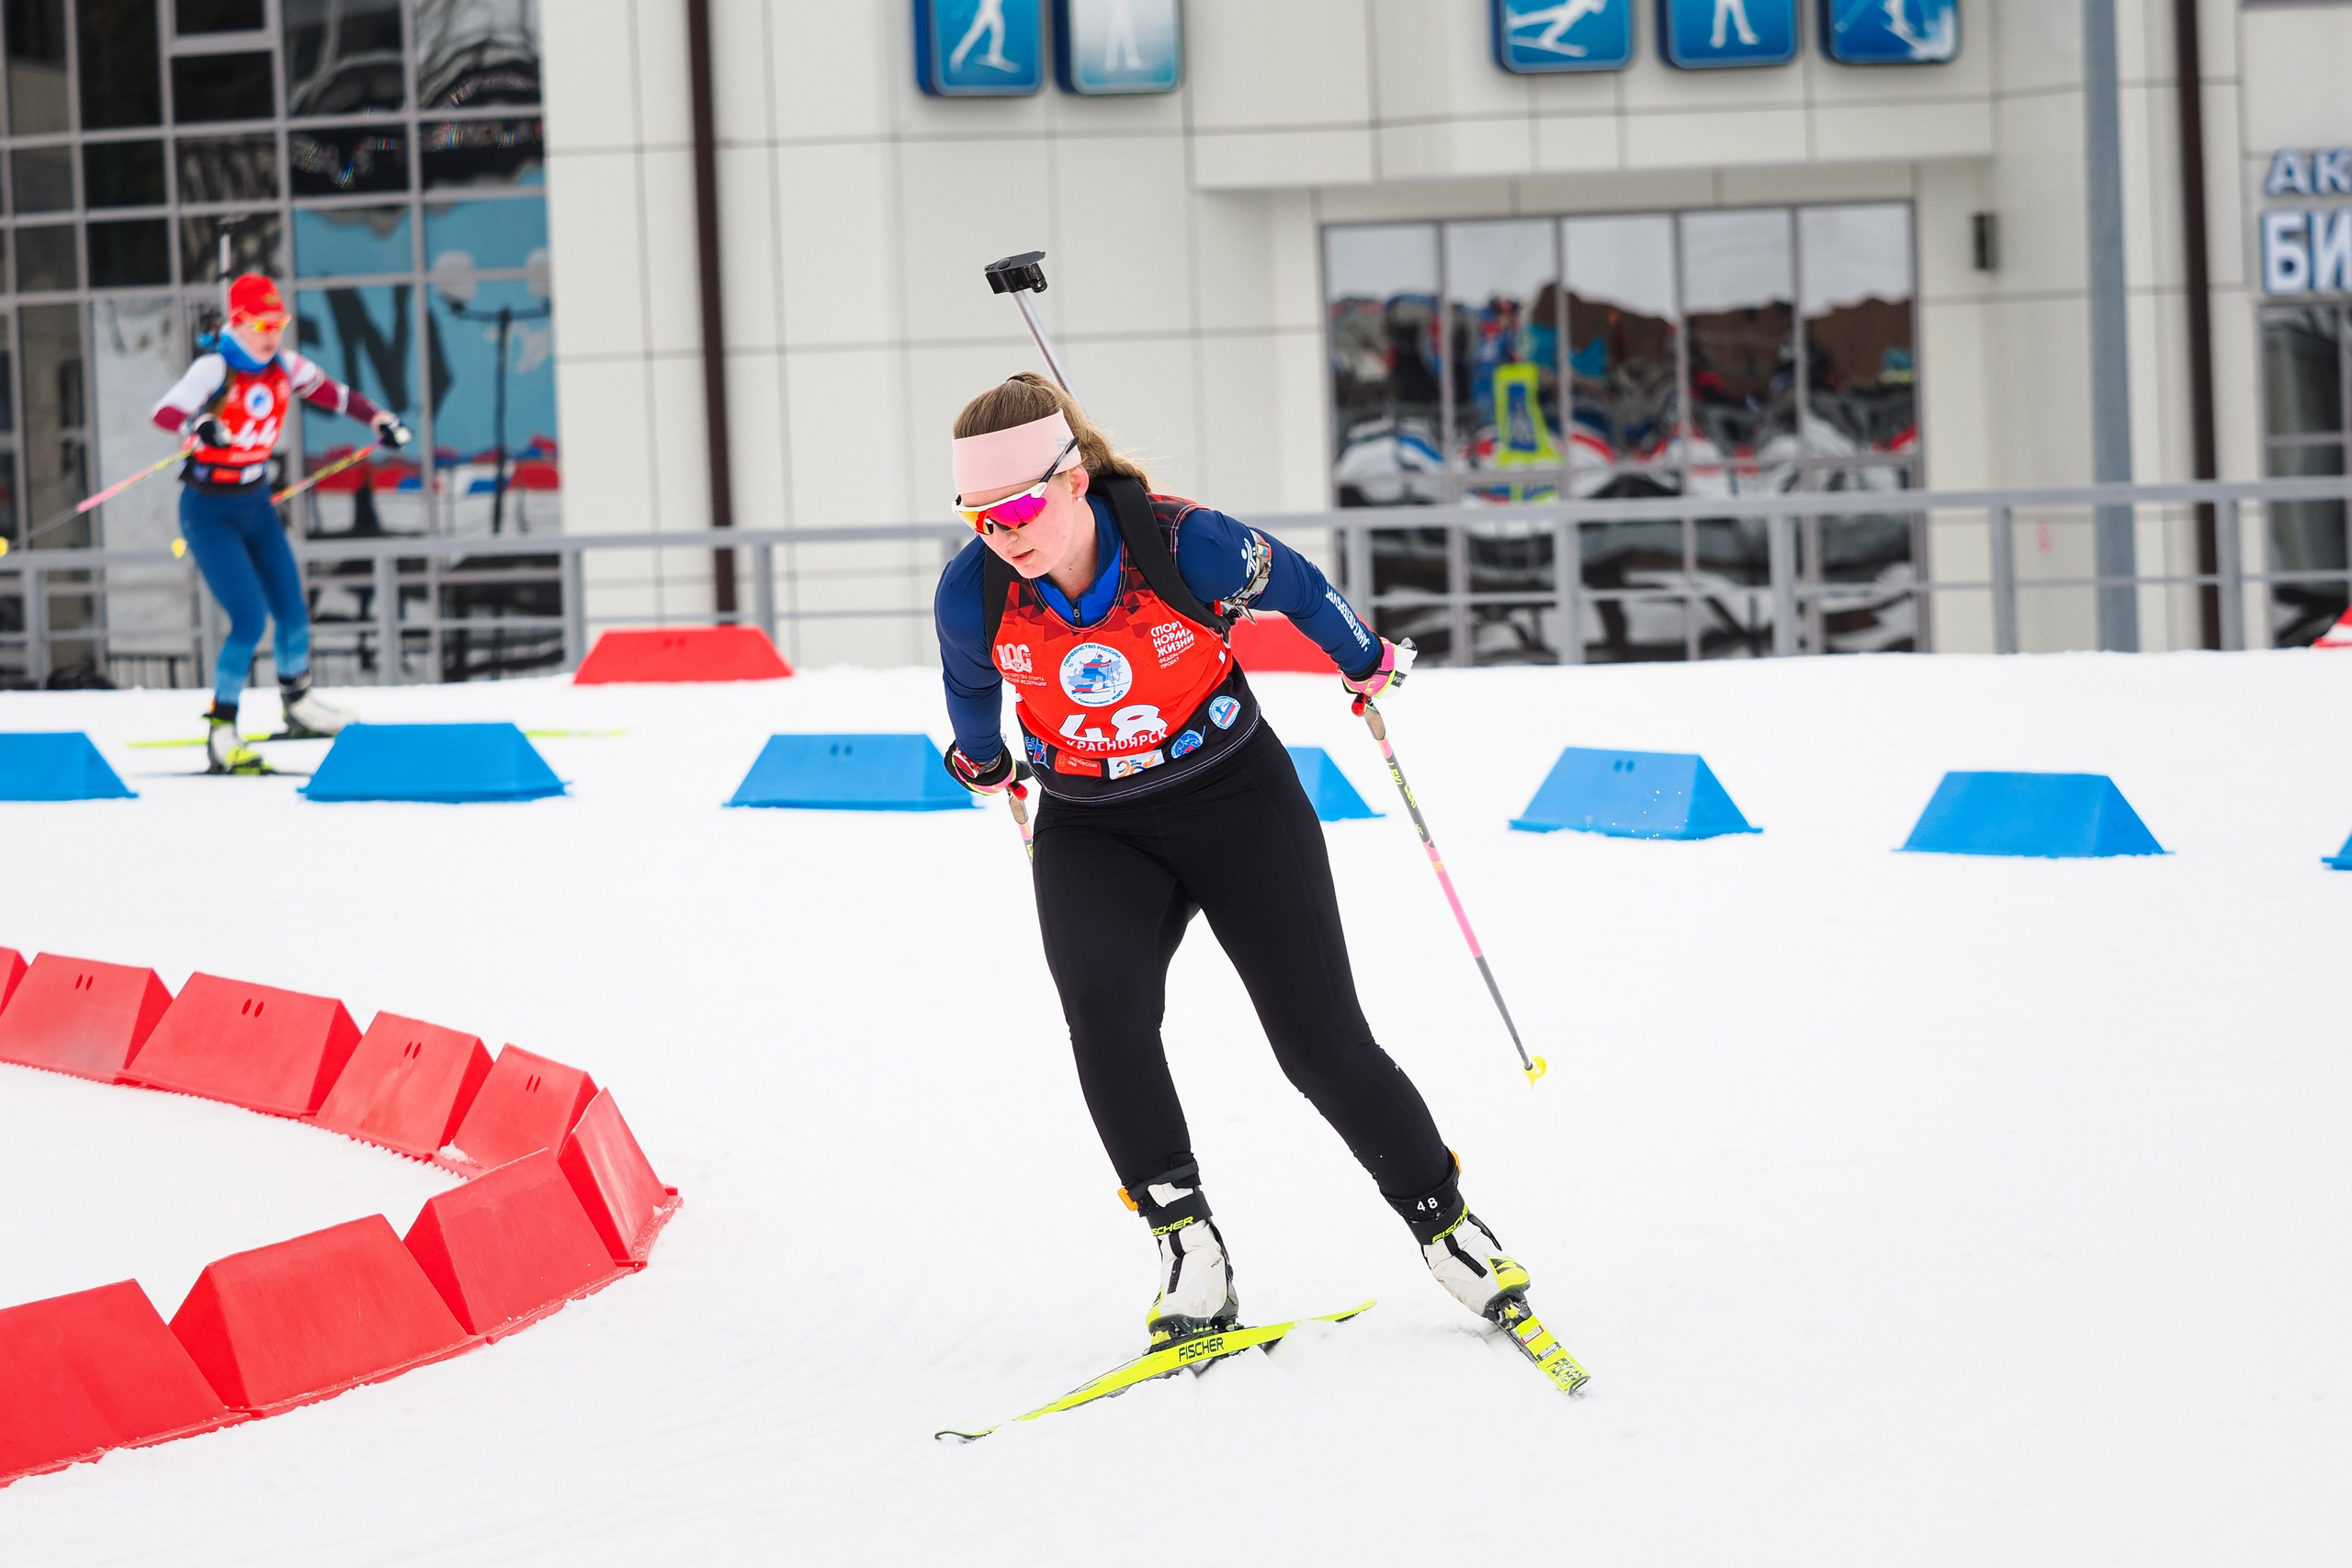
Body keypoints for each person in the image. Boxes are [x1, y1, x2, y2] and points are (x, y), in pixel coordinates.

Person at [934, 372, 1542, 1347]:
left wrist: (1363, 659)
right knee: (1107, 1018)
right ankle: (1188, 1246)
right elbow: (969, 685)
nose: (1000, 534)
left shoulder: (1185, 543)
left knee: (1319, 1043)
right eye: (977, 517)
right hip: (1091, 822)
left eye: (1013, 509)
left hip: (1231, 797)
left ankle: (1446, 1225)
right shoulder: (975, 591)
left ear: (1072, 481)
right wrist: (981, 756)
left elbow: (1298, 585)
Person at [150, 273, 408, 774]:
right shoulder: (215, 367)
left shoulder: (285, 366)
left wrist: (380, 420)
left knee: (292, 608)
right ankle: (222, 729)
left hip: (256, 504)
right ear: (238, 323)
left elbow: (336, 394)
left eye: (278, 323)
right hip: (208, 511)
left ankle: (299, 704)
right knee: (249, 620)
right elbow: (165, 411)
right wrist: (198, 424)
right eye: (262, 324)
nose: (272, 334)